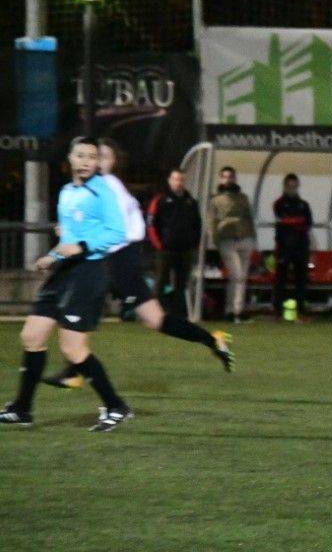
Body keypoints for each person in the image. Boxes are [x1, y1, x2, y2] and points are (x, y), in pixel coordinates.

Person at [41, 140, 234, 391]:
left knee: (147, 318)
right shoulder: (94, 188)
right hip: (113, 257)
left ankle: (76, 373)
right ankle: (212, 340)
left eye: (101, 156)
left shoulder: (107, 185)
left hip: (120, 258)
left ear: (110, 161)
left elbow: (116, 230)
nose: (94, 160)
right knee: (149, 318)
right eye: (91, 155)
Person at [0, 137, 133, 431]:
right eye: (80, 155)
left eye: (91, 157)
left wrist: (83, 246)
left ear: (97, 162)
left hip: (89, 272)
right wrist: (51, 255)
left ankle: (116, 406)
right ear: (70, 158)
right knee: (32, 336)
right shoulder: (66, 192)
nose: (86, 161)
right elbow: (67, 238)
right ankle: (22, 408)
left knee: (73, 350)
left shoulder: (103, 192)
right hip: (64, 271)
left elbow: (117, 231)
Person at [147, 167, 202, 317]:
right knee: (160, 282)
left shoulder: (191, 202)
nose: (179, 183)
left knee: (181, 285)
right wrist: (159, 245)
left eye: (181, 180)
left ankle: (177, 315)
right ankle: (155, 314)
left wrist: (194, 245)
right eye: (176, 179)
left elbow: (197, 225)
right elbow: (151, 224)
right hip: (166, 249)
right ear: (170, 181)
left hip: (185, 250)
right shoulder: (160, 200)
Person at [207, 165, 257, 323]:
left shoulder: (243, 197)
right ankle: (234, 310)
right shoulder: (215, 199)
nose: (228, 179)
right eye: (225, 176)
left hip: (244, 237)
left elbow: (249, 217)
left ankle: (234, 310)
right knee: (237, 275)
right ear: (221, 178)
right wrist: (215, 239)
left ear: (234, 178)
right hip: (226, 238)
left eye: (230, 176)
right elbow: (211, 221)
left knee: (241, 277)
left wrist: (253, 237)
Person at [272, 173, 313, 319]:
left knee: (301, 280)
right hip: (284, 247)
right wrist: (296, 221)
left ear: (297, 187)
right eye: (289, 186)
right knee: (281, 280)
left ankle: (301, 311)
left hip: (301, 247)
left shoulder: (304, 204)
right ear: (284, 187)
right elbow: (283, 219)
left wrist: (292, 222)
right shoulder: (279, 203)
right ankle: (277, 311)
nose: (291, 189)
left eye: (294, 186)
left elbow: (307, 223)